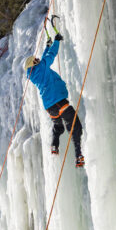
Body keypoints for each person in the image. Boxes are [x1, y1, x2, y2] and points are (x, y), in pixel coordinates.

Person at [25, 32, 85, 167]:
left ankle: (54, 146)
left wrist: (47, 45)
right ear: (33, 64)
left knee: (58, 127)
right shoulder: (40, 68)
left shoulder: (35, 73)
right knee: (75, 126)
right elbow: (49, 57)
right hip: (58, 101)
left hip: (50, 107)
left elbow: (44, 58)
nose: (38, 59)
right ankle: (78, 155)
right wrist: (56, 41)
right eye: (35, 60)